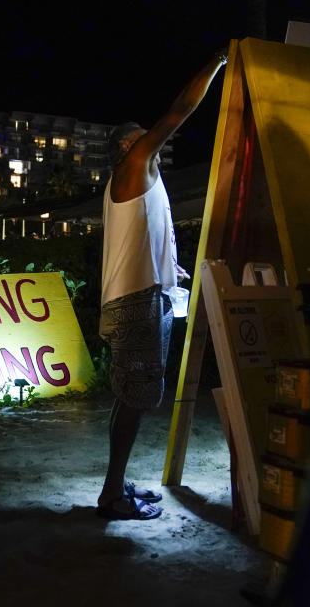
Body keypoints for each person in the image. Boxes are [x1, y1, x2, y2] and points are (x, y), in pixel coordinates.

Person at [97, 50, 229, 520]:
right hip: (136, 304)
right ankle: (112, 496)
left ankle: (117, 483)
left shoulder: (141, 183)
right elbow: (179, 111)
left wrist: (171, 269)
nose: (149, 142)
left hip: (143, 296)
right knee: (137, 399)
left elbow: (145, 238)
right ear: (125, 148)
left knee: (131, 395)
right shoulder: (133, 168)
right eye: (140, 138)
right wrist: (215, 62)